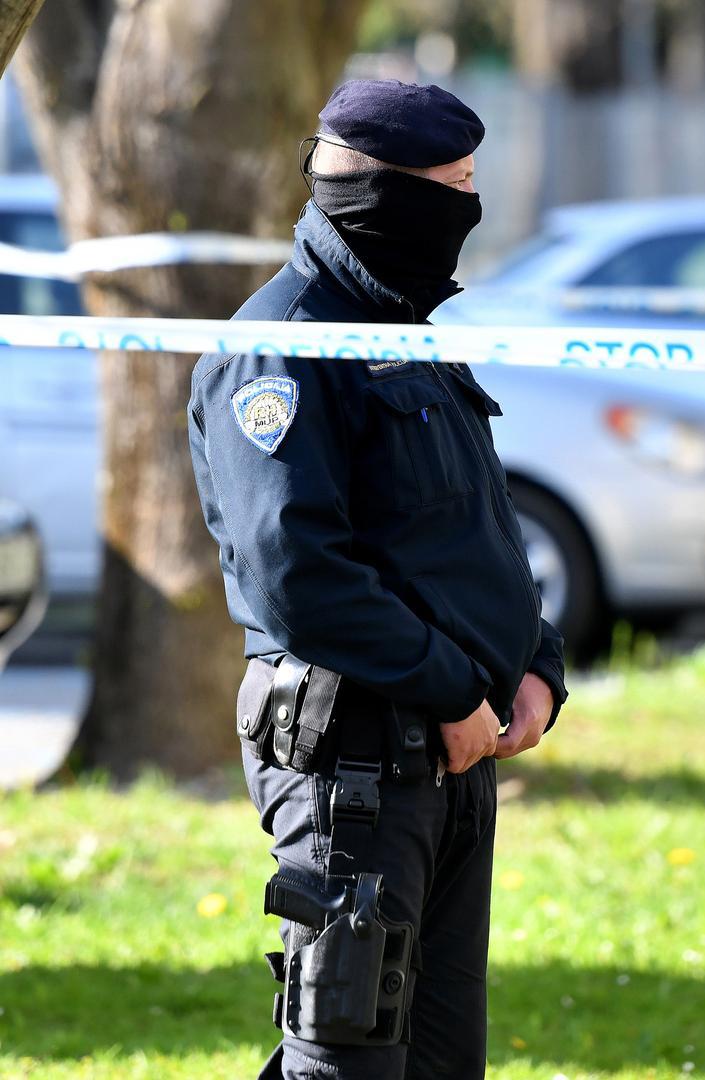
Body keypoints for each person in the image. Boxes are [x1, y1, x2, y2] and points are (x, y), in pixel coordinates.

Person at [187, 79, 567, 1080]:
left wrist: (536, 662)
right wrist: (450, 689)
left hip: (449, 761)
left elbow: (470, 531)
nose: (466, 211)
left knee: (439, 1062)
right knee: (345, 1057)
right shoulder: (286, 342)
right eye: (450, 189)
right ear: (373, 196)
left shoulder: (401, 334)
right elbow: (297, 575)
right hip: (352, 759)